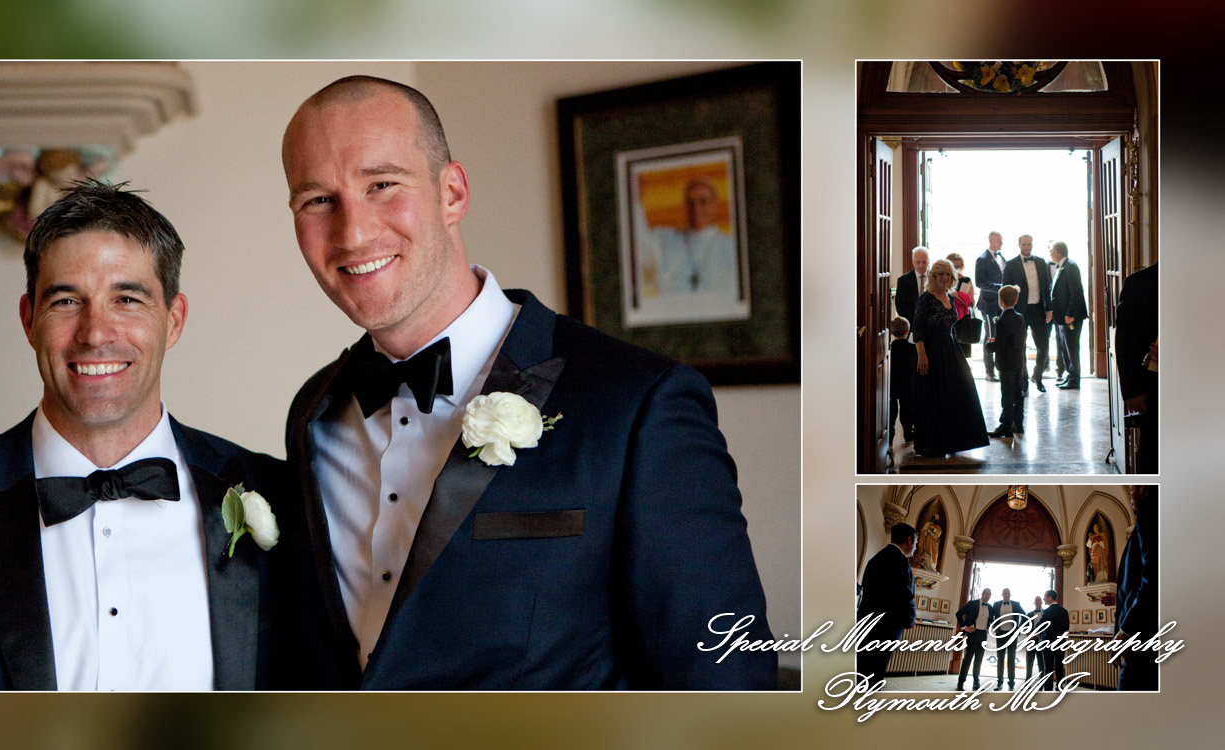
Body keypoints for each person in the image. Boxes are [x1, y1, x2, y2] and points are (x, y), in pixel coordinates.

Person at [278, 76, 773, 690]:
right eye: (317, 200)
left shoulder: (641, 403)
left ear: (452, 192)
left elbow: (724, 681)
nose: (351, 233)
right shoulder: (315, 410)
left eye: (382, 185)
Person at [0, 181, 288, 690]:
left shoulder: (283, 494)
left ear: (173, 321)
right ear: (29, 320)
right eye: (67, 300)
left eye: (127, 299)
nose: (95, 332)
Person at [912, 259, 989, 457]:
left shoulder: (951, 298)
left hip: (950, 349)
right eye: (941, 274)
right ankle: (932, 443)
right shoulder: (925, 299)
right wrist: (922, 356)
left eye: (948, 274)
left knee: (958, 393)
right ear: (934, 277)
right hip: (931, 352)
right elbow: (917, 330)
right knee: (934, 397)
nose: (945, 278)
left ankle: (954, 441)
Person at [1106, 486, 1157, 690]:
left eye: (1131, 492)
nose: (1130, 500)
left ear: (1142, 488)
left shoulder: (1151, 509)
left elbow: (1154, 574)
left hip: (1141, 636)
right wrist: (1118, 598)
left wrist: (1127, 629)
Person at [856, 523, 917, 687]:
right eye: (916, 543)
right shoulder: (901, 562)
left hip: (865, 622)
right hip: (886, 628)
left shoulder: (874, 559)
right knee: (876, 672)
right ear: (909, 540)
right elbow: (905, 595)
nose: (915, 548)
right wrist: (910, 619)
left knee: (862, 671)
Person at [1114, 263, 1158, 473]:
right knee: (1155, 452)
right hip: (1154, 387)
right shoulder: (1139, 283)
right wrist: (1132, 390)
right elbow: (1125, 341)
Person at [1001, 234, 1052, 392]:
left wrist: (1049, 308)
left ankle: (1038, 377)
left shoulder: (1041, 262)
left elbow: (1047, 287)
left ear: (1032, 245)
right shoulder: (1011, 264)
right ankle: (1023, 383)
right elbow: (1006, 289)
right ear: (1019, 245)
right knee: (1020, 348)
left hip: (1038, 309)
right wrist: (1007, 311)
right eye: (1024, 244)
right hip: (1019, 311)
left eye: (1029, 244)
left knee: (1043, 347)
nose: (1027, 247)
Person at [986, 285, 1027, 438]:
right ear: (1016, 301)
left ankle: (1006, 425)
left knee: (1007, 393)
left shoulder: (1002, 321)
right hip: (1018, 361)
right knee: (1018, 392)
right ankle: (1019, 423)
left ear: (1000, 301)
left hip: (1006, 364)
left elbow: (1000, 344)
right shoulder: (1019, 317)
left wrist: (989, 346)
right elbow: (1014, 339)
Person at [1048, 241, 1088, 390]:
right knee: (1065, 347)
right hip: (1061, 317)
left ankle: (1074, 379)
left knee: (1072, 347)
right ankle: (1069, 375)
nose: (1050, 253)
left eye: (1051, 251)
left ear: (1057, 252)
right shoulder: (1061, 266)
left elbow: (1076, 292)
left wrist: (1070, 314)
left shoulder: (1071, 266)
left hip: (1071, 317)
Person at [974, 231, 1007, 381]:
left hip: (1001, 304)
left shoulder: (1001, 257)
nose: (1001, 243)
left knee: (1000, 335)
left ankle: (1001, 368)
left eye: (1001, 241)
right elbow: (980, 283)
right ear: (990, 241)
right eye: (999, 241)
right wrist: (1001, 287)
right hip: (988, 304)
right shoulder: (982, 259)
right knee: (990, 336)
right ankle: (989, 371)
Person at [955, 588, 993, 691]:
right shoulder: (972, 603)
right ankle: (960, 683)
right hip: (972, 633)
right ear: (982, 594)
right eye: (987, 594)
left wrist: (988, 627)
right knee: (967, 659)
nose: (988, 596)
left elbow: (991, 620)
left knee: (979, 660)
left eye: (990, 595)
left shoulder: (990, 607)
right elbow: (958, 614)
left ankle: (976, 682)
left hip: (983, 635)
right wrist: (964, 627)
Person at [989, 588, 1026, 690]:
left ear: (1010, 594)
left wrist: (1018, 628)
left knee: (1011, 658)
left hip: (1012, 634)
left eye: (1008, 593)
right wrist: (994, 626)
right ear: (1002, 594)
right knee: (1000, 658)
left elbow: (1024, 616)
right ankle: (1000, 682)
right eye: (1005, 593)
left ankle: (1011, 683)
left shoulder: (1016, 604)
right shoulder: (996, 604)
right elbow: (991, 617)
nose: (1006, 595)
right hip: (1000, 634)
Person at [889, 316, 915, 445]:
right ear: (907, 332)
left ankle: (890, 434)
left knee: (891, 409)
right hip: (907, 384)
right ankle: (908, 434)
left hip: (892, 384)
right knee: (907, 409)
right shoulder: (912, 349)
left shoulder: (888, 350)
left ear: (891, 333)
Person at [1036, 589, 1069, 690]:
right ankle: (1059, 686)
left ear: (1050, 598)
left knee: (1048, 667)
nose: (1044, 598)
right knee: (1059, 665)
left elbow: (1040, 626)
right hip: (1060, 642)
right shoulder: (1064, 611)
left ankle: (1048, 689)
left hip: (1048, 643)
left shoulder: (1047, 611)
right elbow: (1067, 627)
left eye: (1045, 596)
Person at [946, 252, 975, 360]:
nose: (957, 269)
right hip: (947, 318)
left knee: (963, 354)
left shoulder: (965, 280)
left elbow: (971, 302)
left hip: (962, 320)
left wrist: (957, 295)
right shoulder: (944, 280)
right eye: (954, 266)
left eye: (959, 266)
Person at [894, 246, 930, 334]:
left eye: (924, 262)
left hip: (931, 325)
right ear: (913, 262)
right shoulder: (904, 280)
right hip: (911, 325)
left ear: (928, 262)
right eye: (918, 262)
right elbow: (900, 305)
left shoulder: (935, 278)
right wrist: (913, 321)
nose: (921, 265)